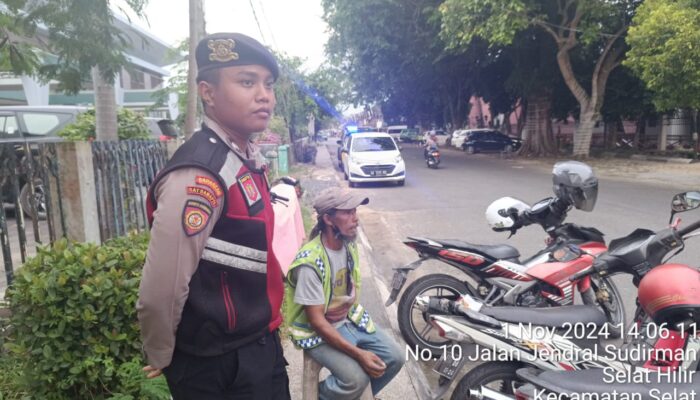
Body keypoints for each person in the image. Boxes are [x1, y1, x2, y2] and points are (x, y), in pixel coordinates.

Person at [136, 32, 290, 400]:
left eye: (267, 84)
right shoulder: (199, 176)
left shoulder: (240, 158)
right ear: (207, 92)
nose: (263, 95)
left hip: (256, 345)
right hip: (217, 364)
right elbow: (164, 285)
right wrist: (160, 350)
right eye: (247, 82)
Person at [284, 188, 404, 400]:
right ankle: (322, 396)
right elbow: (317, 323)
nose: (355, 218)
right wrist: (359, 354)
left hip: (348, 320)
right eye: (348, 212)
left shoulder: (348, 246)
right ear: (329, 219)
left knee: (395, 357)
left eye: (355, 211)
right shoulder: (310, 263)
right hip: (317, 332)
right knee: (356, 379)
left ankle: (350, 396)